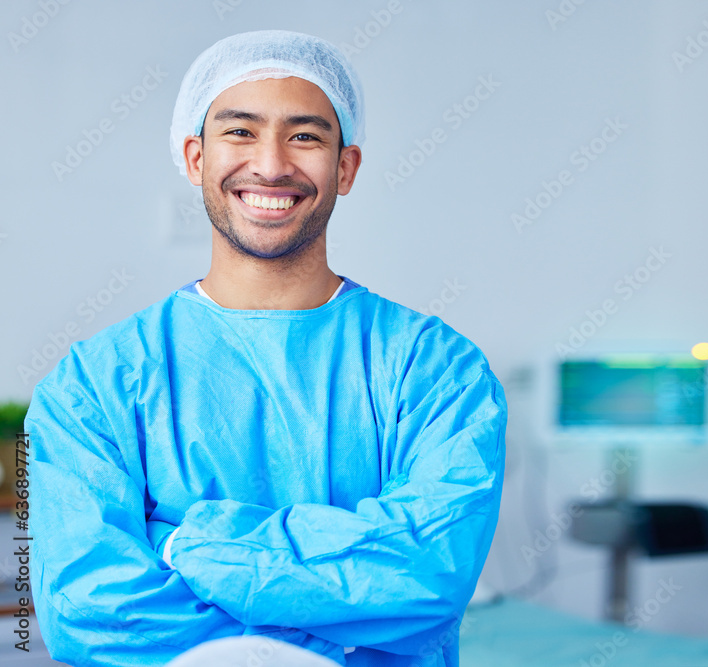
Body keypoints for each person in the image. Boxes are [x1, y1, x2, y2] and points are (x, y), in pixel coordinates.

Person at [25, 30, 506, 667]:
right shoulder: (91, 385)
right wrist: (334, 628)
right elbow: (85, 614)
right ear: (196, 158)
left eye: (305, 135)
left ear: (346, 167)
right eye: (241, 131)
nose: (273, 164)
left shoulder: (437, 370)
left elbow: (426, 577)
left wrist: (183, 543)